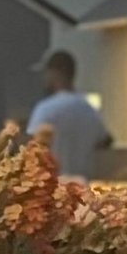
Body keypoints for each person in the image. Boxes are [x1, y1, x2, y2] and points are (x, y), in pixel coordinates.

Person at [27, 49, 111, 180]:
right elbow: (106, 141)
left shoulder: (45, 108)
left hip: (54, 187)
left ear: (55, 73)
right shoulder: (89, 108)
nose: (44, 78)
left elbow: (33, 147)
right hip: (83, 186)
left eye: (46, 73)